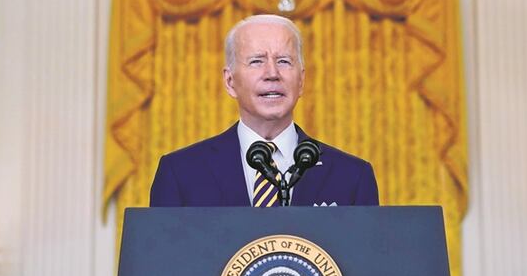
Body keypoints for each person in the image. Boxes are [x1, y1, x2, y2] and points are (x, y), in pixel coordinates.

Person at [149, 14, 379, 207]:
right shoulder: (181, 173)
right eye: (257, 61)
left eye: (284, 61)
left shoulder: (352, 176)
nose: (272, 73)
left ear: (301, 81)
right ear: (230, 82)